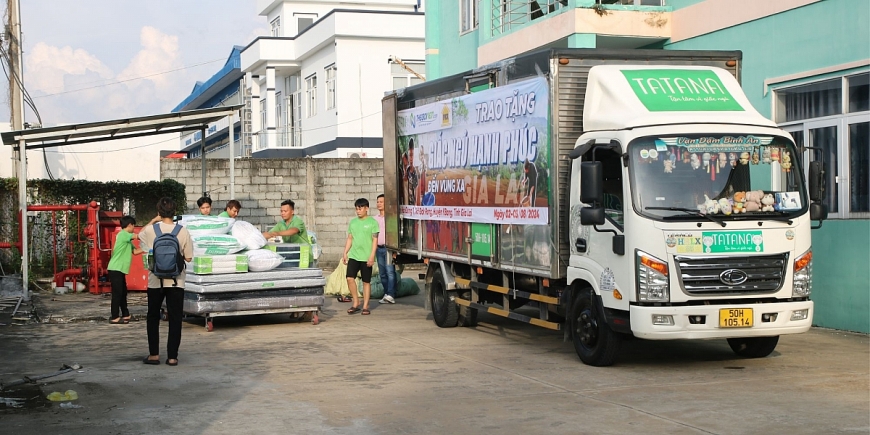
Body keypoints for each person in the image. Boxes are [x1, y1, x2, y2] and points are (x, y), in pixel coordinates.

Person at [138, 197, 193, 367]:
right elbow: (189, 258)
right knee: (175, 318)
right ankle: (172, 357)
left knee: (153, 316)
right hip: (176, 282)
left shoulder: (150, 231)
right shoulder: (182, 231)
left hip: (155, 280)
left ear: (159, 212)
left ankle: (154, 355)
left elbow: (139, 236)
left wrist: (154, 220)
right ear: (175, 212)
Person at [343, 198, 379, 315]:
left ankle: (365, 305)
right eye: (357, 209)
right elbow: (350, 238)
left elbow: (375, 241)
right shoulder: (353, 222)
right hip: (354, 255)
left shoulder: (373, 223)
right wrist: (345, 252)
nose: (358, 211)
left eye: (360, 208)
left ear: (367, 208)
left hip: (367, 256)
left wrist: (372, 256)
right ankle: (356, 302)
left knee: (366, 282)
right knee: (349, 278)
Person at [107, 216, 144, 324]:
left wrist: (149, 248)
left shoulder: (126, 240)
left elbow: (136, 251)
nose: (134, 228)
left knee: (123, 292)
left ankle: (125, 314)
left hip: (120, 269)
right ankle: (114, 317)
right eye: (133, 226)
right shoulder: (123, 234)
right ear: (129, 225)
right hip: (115, 268)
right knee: (117, 293)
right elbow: (139, 236)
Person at [373, 194, 397, 304]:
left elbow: (394, 234)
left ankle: (391, 294)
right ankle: (386, 293)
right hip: (378, 248)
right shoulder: (374, 219)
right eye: (378, 202)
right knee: (382, 273)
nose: (379, 204)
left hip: (388, 248)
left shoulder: (391, 217)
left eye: (381, 202)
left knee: (390, 272)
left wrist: (395, 250)